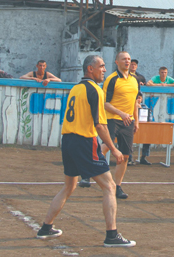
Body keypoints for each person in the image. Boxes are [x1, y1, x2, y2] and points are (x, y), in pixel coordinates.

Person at [36, 55, 134, 247]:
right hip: (84, 141)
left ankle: (46, 227)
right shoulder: (95, 90)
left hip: (68, 140)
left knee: (69, 186)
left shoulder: (76, 88)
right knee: (110, 186)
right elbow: (100, 125)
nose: (104, 70)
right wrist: (114, 149)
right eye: (101, 66)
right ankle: (111, 235)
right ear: (90, 69)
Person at [80, 52, 139, 197]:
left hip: (128, 121)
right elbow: (105, 103)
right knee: (106, 146)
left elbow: (135, 103)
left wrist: (136, 121)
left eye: (129, 59)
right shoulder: (111, 80)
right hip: (112, 119)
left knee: (125, 156)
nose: (127, 62)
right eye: (124, 59)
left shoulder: (134, 80)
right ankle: (87, 172)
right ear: (117, 62)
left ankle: (118, 186)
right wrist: (121, 114)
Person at [135, 92, 154, 165]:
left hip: (143, 128)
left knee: (148, 138)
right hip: (132, 128)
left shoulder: (145, 107)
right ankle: (129, 158)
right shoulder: (130, 106)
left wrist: (141, 109)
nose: (138, 100)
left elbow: (150, 118)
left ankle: (143, 157)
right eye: (137, 98)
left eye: (139, 98)